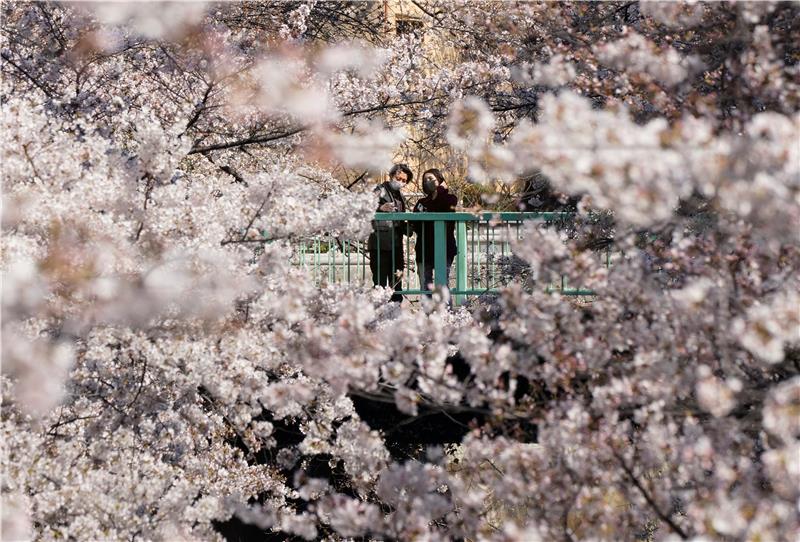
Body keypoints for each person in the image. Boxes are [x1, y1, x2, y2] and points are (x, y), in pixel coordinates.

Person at [368, 164, 412, 302]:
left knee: (396, 283)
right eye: (398, 178)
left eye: (404, 181)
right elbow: (363, 207)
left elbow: (400, 219)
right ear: (392, 176)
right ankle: (378, 315)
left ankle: (396, 313)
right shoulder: (379, 190)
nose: (401, 182)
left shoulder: (400, 197)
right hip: (379, 244)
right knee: (379, 284)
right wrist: (380, 207)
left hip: (396, 244)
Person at [412, 168, 458, 295]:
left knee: (442, 284)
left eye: (431, 179)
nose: (428, 182)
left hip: (443, 248)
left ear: (440, 180)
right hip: (424, 249)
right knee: (425, 285)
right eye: (425, 180)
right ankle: (428, 313)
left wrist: (441, 191)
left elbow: (439, 208)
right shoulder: (421, 202)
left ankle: (445, 314)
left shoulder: (450, 199)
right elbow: (414, 222)